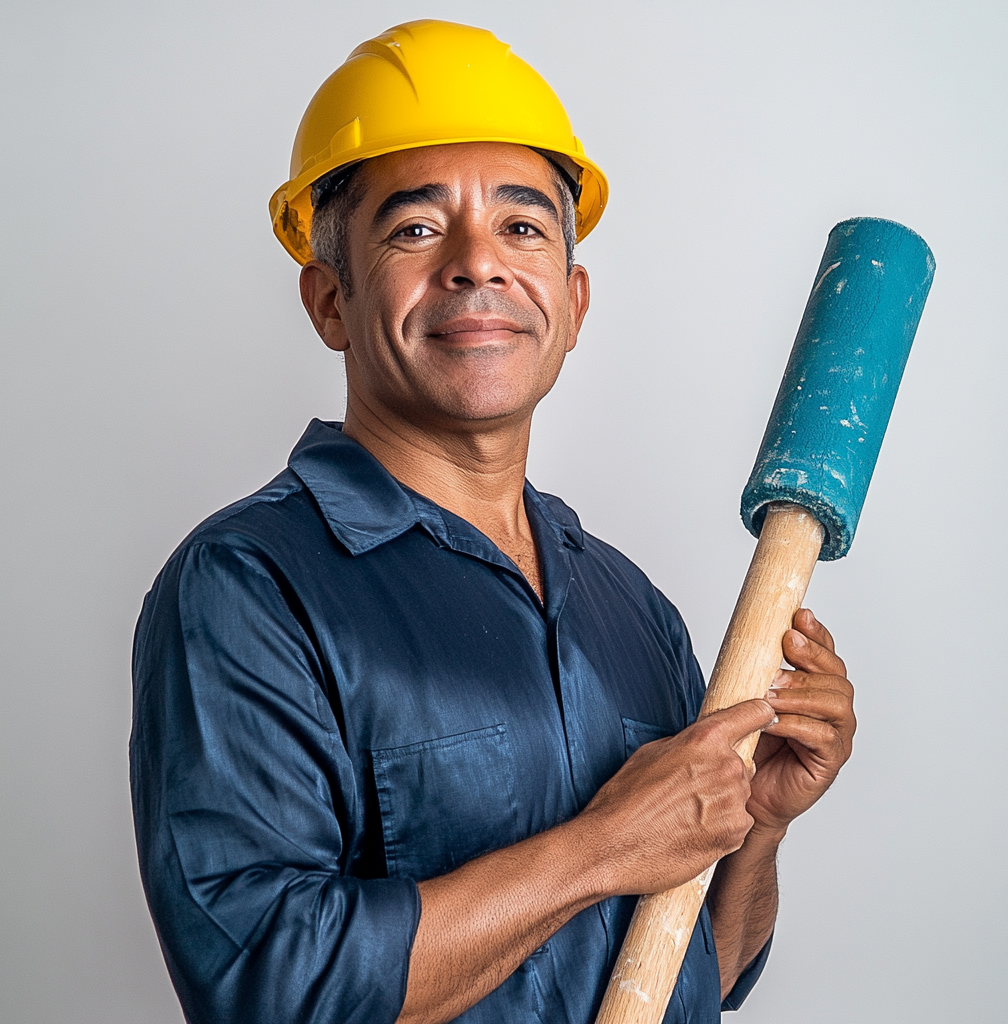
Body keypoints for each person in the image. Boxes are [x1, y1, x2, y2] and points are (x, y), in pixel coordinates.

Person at [130, 20, 856, 1024]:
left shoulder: (628, 605)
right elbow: (271, 988)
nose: (478, 263)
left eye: (522, 227)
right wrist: (602, 845)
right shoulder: (249, 585)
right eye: (416, 228)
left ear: (571, 298)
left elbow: (698, 975)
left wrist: (757, 825)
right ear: (329, 301)